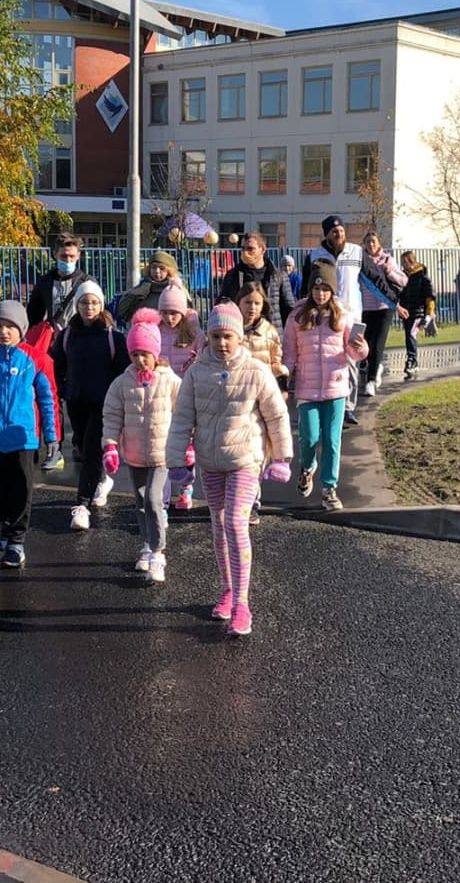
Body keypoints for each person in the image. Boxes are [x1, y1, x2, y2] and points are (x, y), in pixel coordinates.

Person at [167, 301, 293, 637]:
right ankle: (227, 589)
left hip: (244, 460)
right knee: (219, 525)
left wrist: (281, 458)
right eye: (215, 336)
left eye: (228, 336)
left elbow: (277, 415)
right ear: (207, 337)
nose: (222, 343)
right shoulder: (196, 373)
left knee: (236, 523)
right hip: (210, 462)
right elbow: (182, 419)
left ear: (239, 337)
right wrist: (177, 460)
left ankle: (242, 602)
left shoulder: (256, 371)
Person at [0, 301, 58, 569]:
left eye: (10, 326)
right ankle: (6, 525)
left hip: (23, 439)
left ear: (22, 329)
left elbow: (48, 400)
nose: (3, 331)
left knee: (20, 490)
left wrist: (52, 437)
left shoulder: (37, 359)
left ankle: (16, 542)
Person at [283, 259, 369, 511]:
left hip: (336, 387)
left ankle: (329, 488)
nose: (320, 294)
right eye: (316, 289)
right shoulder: (298, 315)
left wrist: (360, 347)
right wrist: (284, 377)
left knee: (332, 441)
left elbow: (355, 353)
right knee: (309, 438)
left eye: (325, 289)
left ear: (332, 291)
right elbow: (290, 352)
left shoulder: (342, 314)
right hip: (307, 388)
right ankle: (307, 467)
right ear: (310, 289)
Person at [299, 215, 402, 424]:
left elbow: (375, 280)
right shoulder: (315, 256)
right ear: (327, 234)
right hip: (324, 317)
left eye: (342, 231)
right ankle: (326, 403)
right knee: (326, 361)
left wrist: (394, 303)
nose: (339, 234)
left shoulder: (356, 252)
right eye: (334, 232)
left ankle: (348, 408)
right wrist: (303, 313)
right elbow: (306, 289)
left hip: (352, 316)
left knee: (352, 360)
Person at [102, 309, 180, 581]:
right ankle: (146, 544)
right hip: (134, 453)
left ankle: (158, 551)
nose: (139, 359)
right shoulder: (122, 383)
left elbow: (184, 412)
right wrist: (110, 446)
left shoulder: (170, 380)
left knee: (153, 499)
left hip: (162, 454)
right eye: (134, 354)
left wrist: (187, 445)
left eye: (144, 353)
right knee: (140, 501)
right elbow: (112, 416)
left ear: (155, 352)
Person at [51, 282, 130, 530]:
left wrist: (119, 401)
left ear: (101, 305)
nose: (89, 307)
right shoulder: (67, 336)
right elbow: (56, 366)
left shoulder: (112, 337)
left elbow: (123, 372)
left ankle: (81, 505)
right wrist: (63, 390)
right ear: (77, 305)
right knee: (82, 447)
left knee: (91, 452)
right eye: (84, 302)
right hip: (76, 402)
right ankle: (102, 479)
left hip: (103, 405)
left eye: (94, 302)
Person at [25, 233, 96, 472]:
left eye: (72, 256)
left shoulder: (87, 282)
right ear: (55, 254)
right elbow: (33, 314)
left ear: (79, 256)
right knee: (50, 396)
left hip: (79, 345)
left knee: (78, 397)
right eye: (64, 256)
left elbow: (96, 311)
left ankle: (80, 442)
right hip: (52, 347)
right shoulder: (45, 281)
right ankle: (54, 448)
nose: (68, 260)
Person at [237, 282, 290, 525]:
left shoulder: (268, 331)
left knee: (257, 451)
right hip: (236, 398)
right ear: (239, 303)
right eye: (247, 302)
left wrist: (282, 388)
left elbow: (277, 362)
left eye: (257, 303)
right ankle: (236, 497)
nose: (252, 307)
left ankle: (252, 501)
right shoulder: (230, 328)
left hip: (262, 398)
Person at [157, 286, 204, 509]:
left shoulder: (195, 335)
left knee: (187, 449)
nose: (169, 318)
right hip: (163, 398)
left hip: (188, 397)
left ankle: (186, 488)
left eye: (174, 313)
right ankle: (163, 493)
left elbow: (204, 361)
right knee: (166, 446)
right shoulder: (155, 332)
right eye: (165, 313)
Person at [360, 232, 408, 396]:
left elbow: (403, 280)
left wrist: (390, 272)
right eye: (367, 242)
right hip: (366, 308)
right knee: (366, 344)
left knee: (378, 344)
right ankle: (375, 366)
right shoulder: (361, 262)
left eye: (373, 241)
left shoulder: (388, 259)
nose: (371, 245)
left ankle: (371, 381)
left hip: (384, 307)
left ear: (379, 243)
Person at [219, 231, 295, 327]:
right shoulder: (233, 275)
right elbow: (223, 305)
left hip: (270, 331)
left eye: (250, 249)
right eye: (243, 248)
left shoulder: (277, 275)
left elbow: (289, 309)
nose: (245, 252)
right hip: (241, 331)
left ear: (262, 249)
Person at [116, 251, 187, 324]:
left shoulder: (176, 290)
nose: (157, 271)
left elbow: (188, 315)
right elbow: (121, 313)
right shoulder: (142, 288)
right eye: (153, 267)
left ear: (169, 271)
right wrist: (131, 294)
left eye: (162, 268)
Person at [396, 252, 436, 379]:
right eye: (402, 262)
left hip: (418, 311)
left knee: (411, 334)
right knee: (408, 334)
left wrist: (430, 313)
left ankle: (411, 359)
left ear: (412, 261)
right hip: (406, 311)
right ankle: (413, 360)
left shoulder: (422, 276)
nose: (403, 264)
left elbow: (429, 295)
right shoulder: (403, 276)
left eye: (405, 261)